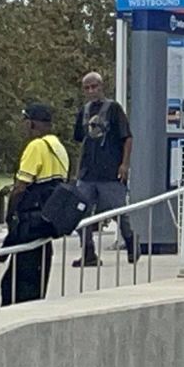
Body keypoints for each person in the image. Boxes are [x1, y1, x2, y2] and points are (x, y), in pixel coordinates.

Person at [1, 103, 69, 305]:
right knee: (37, 279)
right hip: (47, 222)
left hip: (30, 221)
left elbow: (21, 186)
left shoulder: (36, 146)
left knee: (14, 285)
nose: (22, 126)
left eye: (24, 121)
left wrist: (10, 214)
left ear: (31, 123)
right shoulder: (58, 147)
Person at [71, 72, 135, 266]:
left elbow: (127, 137)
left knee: (119, 211)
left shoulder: (114, 109)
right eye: (87, 88)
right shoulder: (84, 110)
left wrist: (124, 164)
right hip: (88, 172)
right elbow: (80, 139)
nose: (91, 91)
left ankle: (132, 244)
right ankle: (88, 252)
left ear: (101, 86)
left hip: (110, 171)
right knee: (80, 213)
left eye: (94, 86)